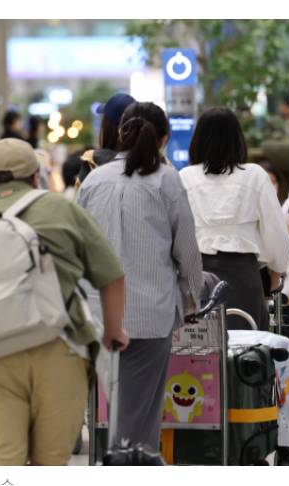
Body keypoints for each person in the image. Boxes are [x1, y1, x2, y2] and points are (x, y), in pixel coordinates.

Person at [0, 138, 128, 466]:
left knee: (2, 470)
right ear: (35, 178)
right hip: (59, 351)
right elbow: (111, 275)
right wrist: (113, 332)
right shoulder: (63, 210)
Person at [77, 102, 204, 450]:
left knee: (112, 408)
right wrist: (194, 298)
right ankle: (132, 471)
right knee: (140, 418)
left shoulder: (93, 180)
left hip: (96, 314)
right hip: (150, 314)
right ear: (163, 138)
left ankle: (121, 463)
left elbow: (75, 245)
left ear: (121, 133)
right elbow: (188, 252)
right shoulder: (166, 180)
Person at [180, 107, 289, 330]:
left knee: (200, 354)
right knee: (248, 352)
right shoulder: (255, 175)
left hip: (196, 279)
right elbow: (277, 234)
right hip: (244, 277)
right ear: (238, 140)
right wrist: (275, 273)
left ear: (198, 140)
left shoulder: (185, 177)